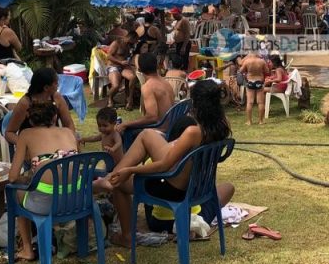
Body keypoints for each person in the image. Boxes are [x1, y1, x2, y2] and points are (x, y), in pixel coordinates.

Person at [98, 79, 235, 248]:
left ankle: (125, 233)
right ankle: (110, 177)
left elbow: (164, 165)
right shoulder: (220, 126)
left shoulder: (193, 132)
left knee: (119, 182)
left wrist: (130, 169)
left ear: (197, 103)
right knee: (147, 135)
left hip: (173, 189)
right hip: (198, 187)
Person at [7, 102, 80, 261]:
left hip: (46, 205)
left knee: (14, 192)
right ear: (55, 117)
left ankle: (27, 248)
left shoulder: (26, 134)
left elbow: (12, 177)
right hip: (78, 200)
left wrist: (26, 178)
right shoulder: (69, 132)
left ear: (31, 120)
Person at [4, 67, 75, 145]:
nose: (58, 85)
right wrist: (25, 145)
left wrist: (70, 140)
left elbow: (69, 124)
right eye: (56, 83)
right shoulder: (25, 103)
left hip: (54, 143)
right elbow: (9, 133)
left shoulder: (56, 97)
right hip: (33, 145)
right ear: (46, 88)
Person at [124, 51, 176, 129]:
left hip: (160, 130)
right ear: (157, 66)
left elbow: (152, 117)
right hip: (172, 128)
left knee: (124, 132)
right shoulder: (165, 82)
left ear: (139, 69)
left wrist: (126, 124)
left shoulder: (148, 87)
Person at [106, 29, 138, 108]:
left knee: (133, 77)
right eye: (135, 40)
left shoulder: (129, 46)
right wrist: (120, 62)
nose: (135, 42)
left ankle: (129, 99)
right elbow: (108, 56)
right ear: (130, 37)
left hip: (123, 67)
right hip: (113, 66)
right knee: (116, 85)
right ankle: (110, 98)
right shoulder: (117, 43)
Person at [239, 51, 269, 126]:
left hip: (250, 82)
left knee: (250, 102)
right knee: (260, 102)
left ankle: (249, 121)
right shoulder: (261, 61)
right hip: (259, 81)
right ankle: (261, 121)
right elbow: (267, 71)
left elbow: (241, 71)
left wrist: (247, 71)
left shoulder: (247, 61)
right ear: (257, 53)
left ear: (250, 54)